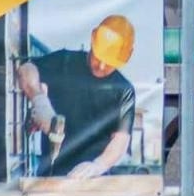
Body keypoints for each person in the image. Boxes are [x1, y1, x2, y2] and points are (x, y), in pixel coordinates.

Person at [16, 15, 137, 180]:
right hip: (51, 176)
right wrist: (39, 100)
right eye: (98, 57)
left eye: (109, 63)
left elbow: (120, 141)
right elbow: (26, 69)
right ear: (92, 42)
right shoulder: (64, 62)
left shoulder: (124, 90)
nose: (101, 66)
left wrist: (98, 165)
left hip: (92, 181)